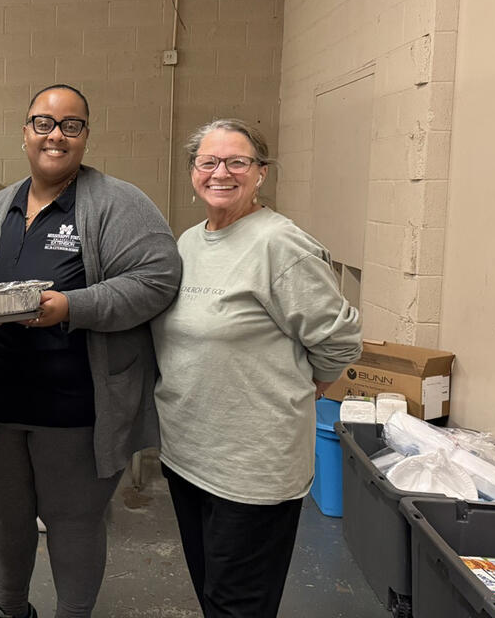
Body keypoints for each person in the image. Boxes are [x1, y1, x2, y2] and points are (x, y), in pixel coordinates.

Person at [0, 85, 181, 618]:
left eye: (71, 125)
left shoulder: (118, 204)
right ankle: (7, 608)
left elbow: (159, 278)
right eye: (43, 123)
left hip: (77, 408)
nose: (56, 135)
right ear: (25, 132)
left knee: (74, 522)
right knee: (3, 514)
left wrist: (72, 306)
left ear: (85, 137)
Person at [150, 118, 362, 617]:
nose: (221, 172)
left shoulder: (279, 244)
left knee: (238, 605)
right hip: (189, 454)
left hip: (253, 467)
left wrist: (308, 386)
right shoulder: (188, 243)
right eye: (209, 161)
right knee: (210, 592)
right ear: (193, 172)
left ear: (260, 173)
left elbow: (340, 339)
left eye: (237, 161)